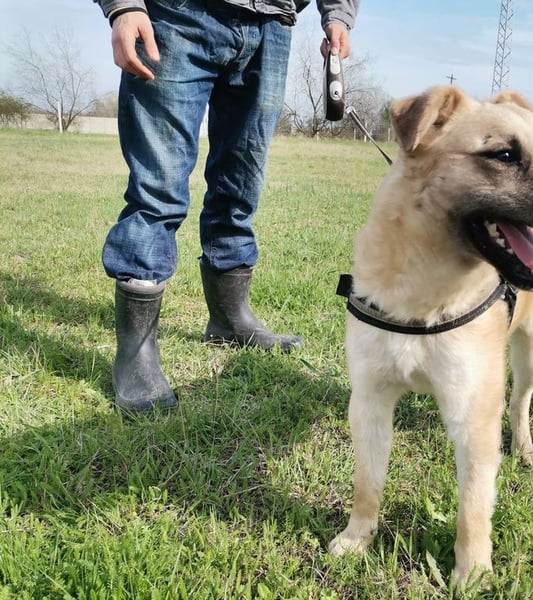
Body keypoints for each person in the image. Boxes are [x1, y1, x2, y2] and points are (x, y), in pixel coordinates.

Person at [94, 0, 360, 413]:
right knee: (158, 189)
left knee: (240, 187)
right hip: (178, 15)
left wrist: (338, 16)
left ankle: (229, 320)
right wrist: (123, 6)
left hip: (273, 25)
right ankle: (136, 351)